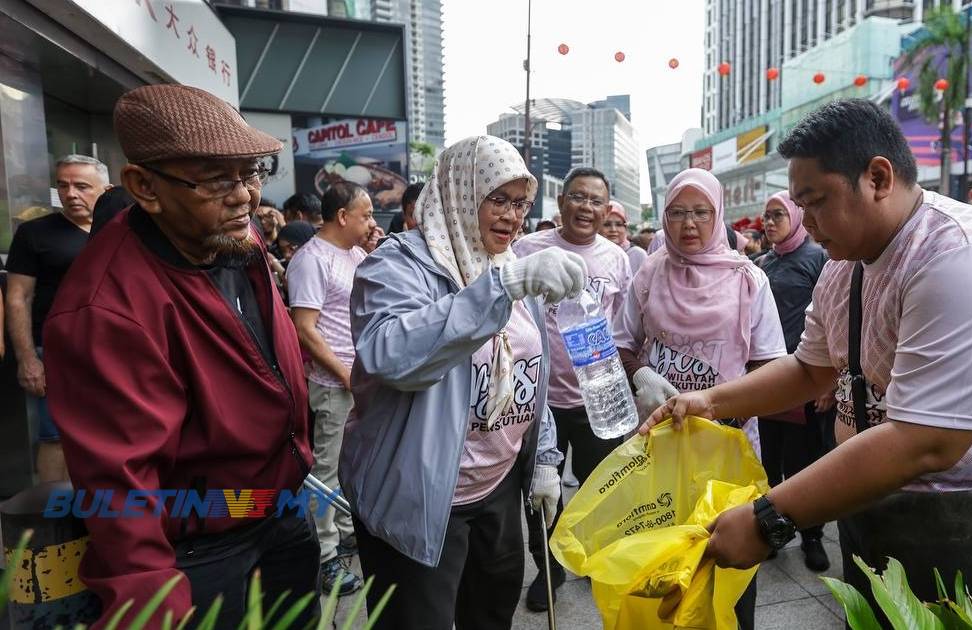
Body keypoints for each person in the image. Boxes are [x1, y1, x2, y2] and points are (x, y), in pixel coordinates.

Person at [643, 99, 972, 626]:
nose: (806, 223)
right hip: (885, 515)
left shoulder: (965, 257)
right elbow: (810, 369)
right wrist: (708, 401)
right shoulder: (847, 264)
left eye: (815, 201)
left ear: (878, 177)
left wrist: (769, 518)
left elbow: (927, 439)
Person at [42, 84, 318, 628]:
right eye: (217, 179)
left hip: (278, 510)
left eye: (251, 171)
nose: (245, 196)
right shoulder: (107, 308)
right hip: (202, 547)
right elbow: (120, 487)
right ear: (144, 186)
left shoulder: (229, 235)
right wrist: (151, 603)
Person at [344, 135, 584, 629]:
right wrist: (501, 289)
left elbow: (529, 370)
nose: (512, 216)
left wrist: (542, 459)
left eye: (520, 203)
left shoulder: (508, 264)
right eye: (497, 199)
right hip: (421, 496)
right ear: (460, 191)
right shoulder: (397, 265)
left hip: (496, 491)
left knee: (491, 615)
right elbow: (391, 355)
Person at [614, 168, 787, 630]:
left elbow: (769, 366)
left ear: (719, 216)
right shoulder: (649, 273)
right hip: (660, 442)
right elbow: (622, 343)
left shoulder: (749, 279)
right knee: (662, 558)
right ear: (664, 217)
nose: (689, 224)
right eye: (677, 213)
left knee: (729, 557)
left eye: (701, 213)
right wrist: (643, 375)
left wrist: (721, 411)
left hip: (728, 447)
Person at [512, 167, 633, 611]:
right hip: (538, 400)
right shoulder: (528, 249)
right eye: (578, 197)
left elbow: (620, 329)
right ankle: (547, 570)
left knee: (601, 486)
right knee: (538, 492)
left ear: (607, 209)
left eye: (596, 200)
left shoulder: (617, 258)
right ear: (561, 202)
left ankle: (592, 556)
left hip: (596, 399)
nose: (586, 207)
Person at [286, 182, 373, 595]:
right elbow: (305, 329)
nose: (371, 222)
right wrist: (343, 374)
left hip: (358, 381)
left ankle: (342, 528)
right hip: (332, 384)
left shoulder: (354, 254)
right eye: (366, 214)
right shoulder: (311, 260)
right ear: (342, 216)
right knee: (326, 469)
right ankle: (325, 557)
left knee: (349, 467)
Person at [5, 154, 111, 483]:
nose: (71, 194)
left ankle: (107, 519)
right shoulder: (35, 233)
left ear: (105, 190)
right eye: (63, 186)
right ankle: (57, 528)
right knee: (55, 439)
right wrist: (26, 358)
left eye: (81, 186)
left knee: (112, 437)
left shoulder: (125, 231)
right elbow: (18, 297)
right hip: (54, 351)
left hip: (115, 352)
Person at [754, 191, 832, 570]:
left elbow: (833, 318)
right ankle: (771, 532)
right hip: (767, 379)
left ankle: (812, 536)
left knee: (803, 465)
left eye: (778, 215)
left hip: (804, 377)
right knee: (767, 463)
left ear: (797, 217)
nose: (769, 223)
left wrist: (828, 382)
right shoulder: (761, 263)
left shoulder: (818, 259)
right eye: (766, 216)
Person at [601, 200, 648, 277]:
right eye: (607, 224)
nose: (613, 229)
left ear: (625, 227)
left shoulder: (637, 254)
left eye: (619, 224)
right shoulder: (593, 253)